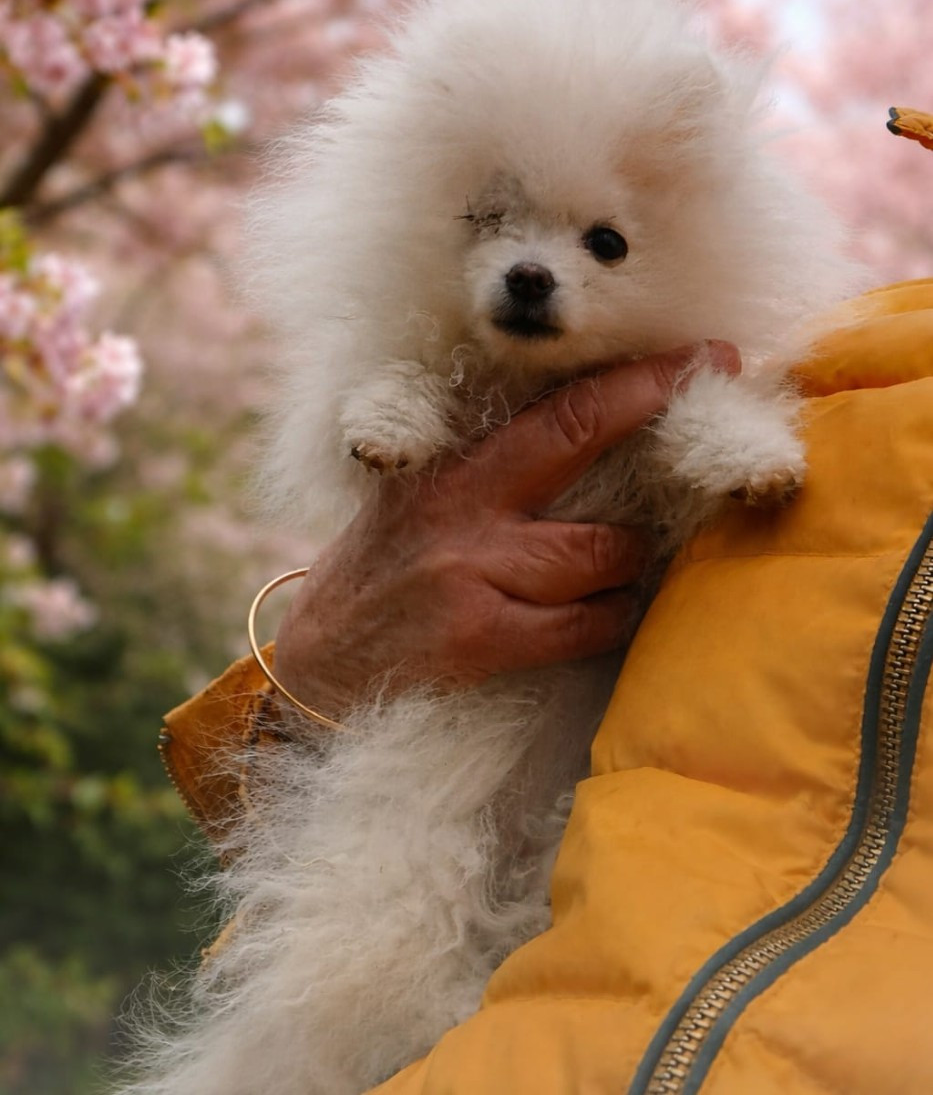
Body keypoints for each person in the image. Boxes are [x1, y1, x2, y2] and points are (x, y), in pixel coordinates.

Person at [161, 122, 933, 1094]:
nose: (532, 266)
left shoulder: (783, 354)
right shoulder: (847, 354)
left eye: (602, 241)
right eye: (493, 220)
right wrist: (314, 678)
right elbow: (284, 876)